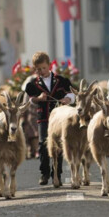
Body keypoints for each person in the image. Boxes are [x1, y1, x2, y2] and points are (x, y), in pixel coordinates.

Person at [24, 52, 75, 185]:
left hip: (59, 119)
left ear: (49, 65)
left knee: (58, 144)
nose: (41, 71)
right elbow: (31, 100)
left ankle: (57, 174)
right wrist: (38, 98)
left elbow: (72, 94)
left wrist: (67, 99)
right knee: (43, 144)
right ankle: (44, 173)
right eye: (38, 69)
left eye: (43, 68)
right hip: (44, 118)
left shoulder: (61, 80)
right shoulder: (33, 84)